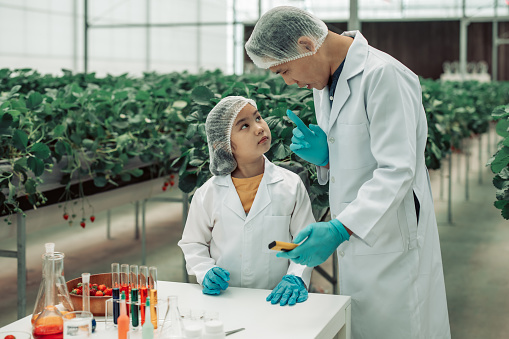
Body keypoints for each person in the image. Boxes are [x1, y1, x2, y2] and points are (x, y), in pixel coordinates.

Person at [245, 6, 451, 339]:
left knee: (402, 328)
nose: (290, 82)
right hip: (359, 237)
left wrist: (341, 228)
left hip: (392, 240)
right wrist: (327, 159)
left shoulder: (384, 76)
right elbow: (357, 157)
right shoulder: (321, 82)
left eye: (284, 71)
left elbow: (397, 170)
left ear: (306, 45)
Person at [178, 96, 315, 306]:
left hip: (278, 298)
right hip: (225, 299)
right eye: (244, 126)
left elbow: (305, 239)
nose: (259, 128)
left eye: (258, 118)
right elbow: (193, 242)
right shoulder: (208, 193)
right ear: (223, 145)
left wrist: (296, 276)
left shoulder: (291, 185)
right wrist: (205, 272)